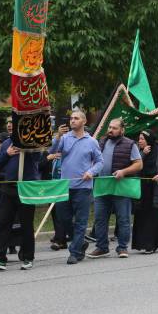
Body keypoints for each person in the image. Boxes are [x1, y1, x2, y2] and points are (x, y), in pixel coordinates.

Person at [48, 111, 104, 265]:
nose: (72, 121)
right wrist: (57, 136)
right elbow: (50, 151)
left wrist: (91, 172)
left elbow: (100, 162)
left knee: (80, 221)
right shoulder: (65, 138)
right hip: (65, 186)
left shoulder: (91, 141)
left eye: (76, 118)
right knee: (63, 218)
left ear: (84, 121)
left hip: (83, 187)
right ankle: (81, 243)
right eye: (71, 118)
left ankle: (74, 252)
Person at [0, 136, 42, 271]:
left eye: (13, 123)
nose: (10, 126)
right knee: (4, 223)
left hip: (25, 188)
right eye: (9, 123)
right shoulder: (6, 143)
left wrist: (30, 148)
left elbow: (38, 158)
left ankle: (28, 258)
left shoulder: (31, 142)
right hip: (8, 188)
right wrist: (7, 154)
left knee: (26, 225)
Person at [88, 118, 143, 259]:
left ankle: (122, 247)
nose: (110, 130)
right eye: (110, 127)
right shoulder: (101, 142)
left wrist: (124, 172)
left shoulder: (130, 144)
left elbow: (138, 164)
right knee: (100, 218)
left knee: (123, 218)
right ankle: (102, 247)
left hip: (120, 186)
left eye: (114, 128)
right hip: (101, 186)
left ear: (122, 130)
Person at [132, 130, 158, 254]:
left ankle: (151, 245)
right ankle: (141, 244)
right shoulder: (138, 153)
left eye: (142, 139)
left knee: (153, 218)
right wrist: (143, 155)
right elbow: (135, 169)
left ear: (149, 140)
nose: (139, 141)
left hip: (156, 189)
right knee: (141, 217)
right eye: (138, 139)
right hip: (142, 190)